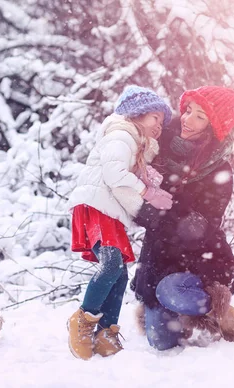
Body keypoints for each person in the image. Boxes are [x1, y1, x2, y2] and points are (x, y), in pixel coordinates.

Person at [131, 85, 234, 351]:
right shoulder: (158, 148)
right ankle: (173, 315)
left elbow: (201, 226)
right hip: (157, 258)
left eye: (200, 116)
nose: (187, 119)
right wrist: (155, 205)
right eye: (188, 110)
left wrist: (161, 204)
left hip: (200, 259)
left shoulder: (219, 170)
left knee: (170, 291)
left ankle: (215, 309)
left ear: (212, 126)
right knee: (161, 342)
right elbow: (137, 207)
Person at [66, 85, 174, 360]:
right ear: (137, 113)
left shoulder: (135, 141)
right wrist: (147, 193)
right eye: (155, 118)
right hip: (97, 206)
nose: (158, 126)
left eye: (162, 122)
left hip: (108, 209)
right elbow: (114, 173)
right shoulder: (122, 134)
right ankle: (83, 320)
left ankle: (106, 331)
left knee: (120, 272)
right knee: (112, 264)